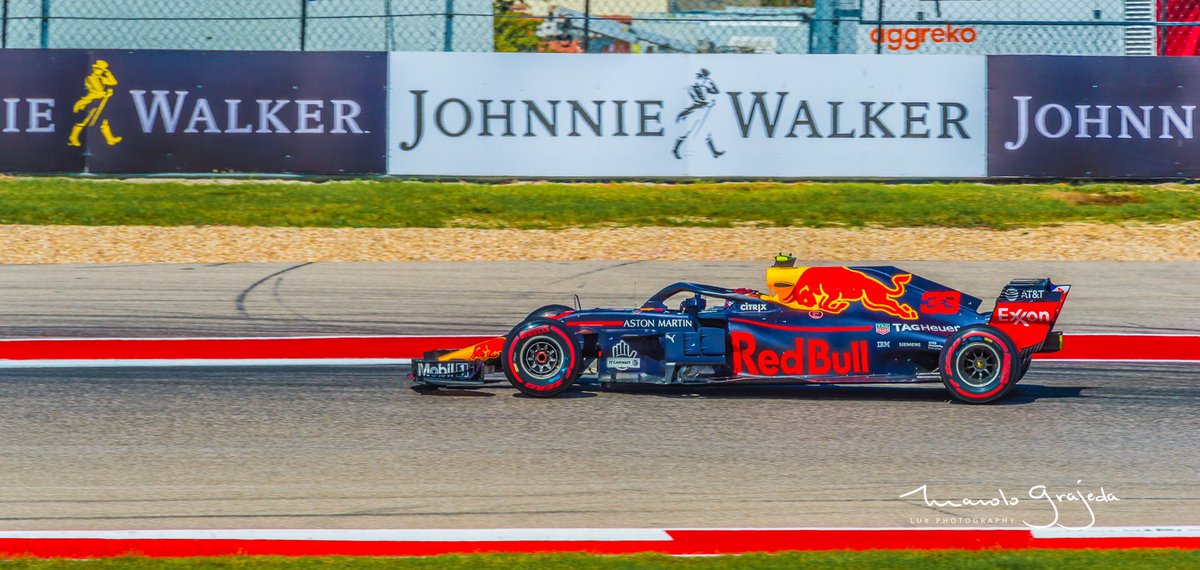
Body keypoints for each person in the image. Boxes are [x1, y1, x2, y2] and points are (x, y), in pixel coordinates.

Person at [68, 60, 122, 147]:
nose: (98, 71)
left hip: (99, 103)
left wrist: (107, 73)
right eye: (98, 69)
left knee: (104, 121)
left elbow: (113, 82)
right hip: (89, 102)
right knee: (83, 121)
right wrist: (105, 94)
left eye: (101, 70)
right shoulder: (90, 78)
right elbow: (96, 92)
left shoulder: (102, 78)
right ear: (94, 68)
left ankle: (110, 139)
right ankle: (73, 137)